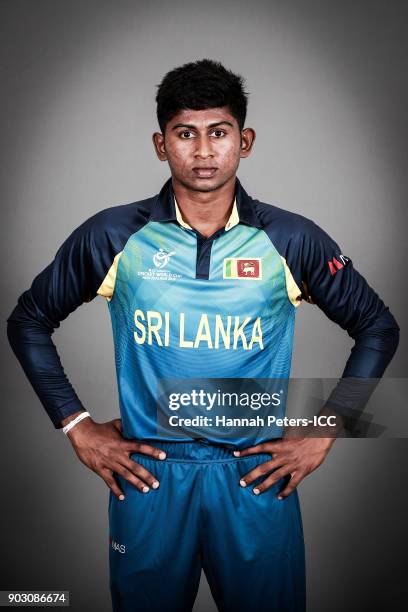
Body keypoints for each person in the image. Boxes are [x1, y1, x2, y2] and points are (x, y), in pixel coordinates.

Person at [7, 59, 400, 612]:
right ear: (160, 145)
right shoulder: (115, 234)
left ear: (245, 140)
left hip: (255, 477)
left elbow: (379, 328)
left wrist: (323, 430)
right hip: (149, 478)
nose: (204, 150)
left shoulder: (289, 238)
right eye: (185, 134)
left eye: (218, 132)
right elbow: (27, 321)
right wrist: (77, 426)